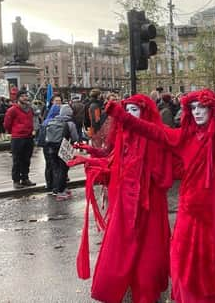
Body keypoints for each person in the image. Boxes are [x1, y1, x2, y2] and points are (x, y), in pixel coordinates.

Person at [105, 89, 215, 303]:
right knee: (182, 269)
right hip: (188, 214)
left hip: (214, 218)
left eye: (202, 107)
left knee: (211, 273)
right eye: (193, 108)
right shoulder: (185, 137)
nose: (197, 112)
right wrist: (121, 116)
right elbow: (153, 131)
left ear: (212, 109)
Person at [71, 94, 174, 303]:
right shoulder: (124, 137)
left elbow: (165, 175)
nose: (129, 115)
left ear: (144, 113)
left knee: (147, 256)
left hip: (148, 207)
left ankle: (145, 293)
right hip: (125, 205)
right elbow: (113, 162)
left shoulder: (154, 137)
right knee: (121, 253)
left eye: (134, 110)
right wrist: (90, 154)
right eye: (127, 111)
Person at [44, 105, 79, 199]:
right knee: (63, 169)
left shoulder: (52, 121)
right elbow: (75, 137)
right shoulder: (70, 123)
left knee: (55, 169)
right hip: (64, 147)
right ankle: (60, 191)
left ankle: (56, 189)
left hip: (51, 147)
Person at [4, 90, 36, 188]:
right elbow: (7, 124)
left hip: (29, 137)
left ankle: (25, 178)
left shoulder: (30, 109)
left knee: (27, 160)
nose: (25, 98)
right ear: (18, 98)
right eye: (22, 96)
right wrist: (14, 132)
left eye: (26, 96)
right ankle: (16, 180)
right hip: (18, 138)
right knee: (17, 160)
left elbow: (33, 121)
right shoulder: (12, 110)